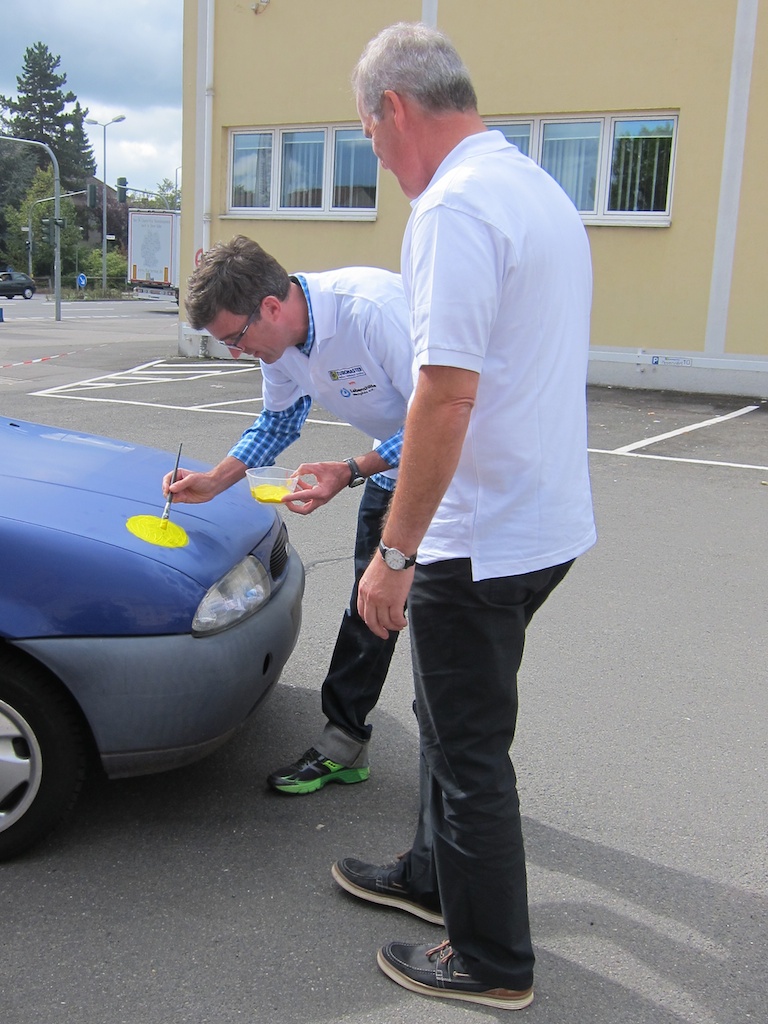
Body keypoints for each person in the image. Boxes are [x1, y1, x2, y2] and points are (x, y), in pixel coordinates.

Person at [330, 22, 597, 1011]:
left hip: (477, 538)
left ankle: (491, 959)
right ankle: (432, 875)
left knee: (469, 745)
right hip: (540, 522)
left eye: (369, 135)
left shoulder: (452, 206)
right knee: (448, 722)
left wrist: (394, 553)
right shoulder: (534, 189)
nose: (378, 156)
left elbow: (443, 396)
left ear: (394, 110)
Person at [165, 235, 415, 794]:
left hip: (460, 483)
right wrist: (214, 480)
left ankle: (455, 783)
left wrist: (351, 469)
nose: (236, 352)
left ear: (271, 308)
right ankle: (344, 743)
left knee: (445, 628)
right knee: (370, 606)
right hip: (393, 476)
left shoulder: (372, 312)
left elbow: (444, 416)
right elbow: (278, 422)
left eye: (235, 338)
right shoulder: (279, 347)